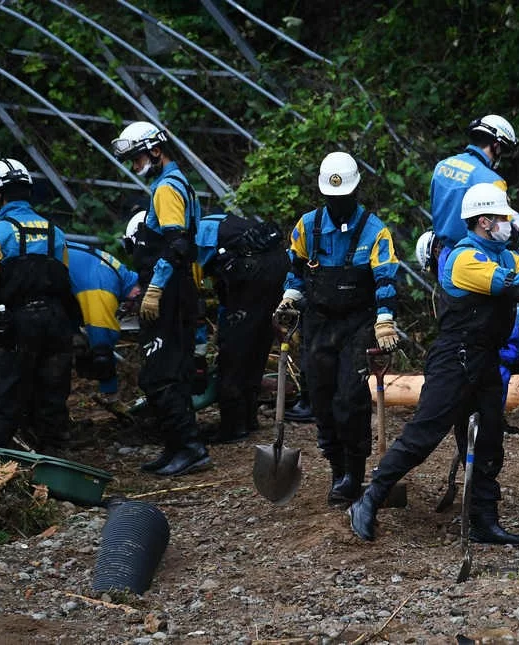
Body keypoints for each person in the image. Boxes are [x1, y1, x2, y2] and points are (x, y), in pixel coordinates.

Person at [349, 183, 519, 544]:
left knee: (489, 441)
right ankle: (369, 500)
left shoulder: (504, 254)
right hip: (454, 359)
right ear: (484, 221)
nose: (507, 223)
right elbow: (514, 284)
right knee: (423, 436)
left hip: (484, 361)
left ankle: (483, 520)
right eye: (501, 217)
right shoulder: (465, 259)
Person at [276, 151, 401, 507]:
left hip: (357, 323)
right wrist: (289, 296)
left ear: (356, 191)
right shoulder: (307, 227)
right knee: (320, 396)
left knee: (349, 398)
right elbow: (295, 269)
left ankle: (355, 471)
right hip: (318, 322)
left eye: (344, 197)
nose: (338, 203)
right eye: (332, 198)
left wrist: (385, 318)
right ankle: (336, 466)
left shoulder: (375, 232)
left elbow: (386, 278)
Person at [112, 121, 210, 476]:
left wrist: (155, 287)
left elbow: (178, 243)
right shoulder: (179, 184)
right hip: (178, 291)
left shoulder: (166, 188)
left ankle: (190, 448)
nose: (134, 165)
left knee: (160, 374)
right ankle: (176, 447)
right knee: (176, 370)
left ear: (155, 150)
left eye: (136, 157)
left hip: (167, 292)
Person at [0, 158, 82, 451]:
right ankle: (54, 459)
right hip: (57, 323)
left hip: (16, 325)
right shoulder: (56, 232)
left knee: (6, 391)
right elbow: (65, 281)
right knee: (52, 394)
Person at [195, 210, 288, 443]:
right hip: (277, 265)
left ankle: (232, 427)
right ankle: (248, 418)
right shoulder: (216, 224)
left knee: (233, 350)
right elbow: (224, 289)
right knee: (256, 342)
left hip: (255, 271)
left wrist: (200, 349)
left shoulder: (192, 238)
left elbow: (193, 296)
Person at [429, 114, 517, 276]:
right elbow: (501, 231)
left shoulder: (441, 166)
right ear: (496, 146)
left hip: (443, 255)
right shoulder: (493, 181)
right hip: (476, 262)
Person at [67, 239, 140, 410]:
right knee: (101, 351)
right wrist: (110, 387)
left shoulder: (115, 270)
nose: (130, 308)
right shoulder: (105, 282)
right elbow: (102, 338)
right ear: (138, 290)